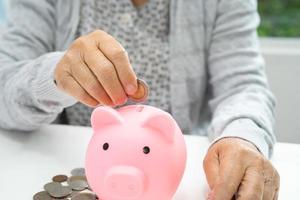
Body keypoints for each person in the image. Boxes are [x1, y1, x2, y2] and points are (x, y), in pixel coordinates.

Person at [0, 0, 280, 199]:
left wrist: (242, 137)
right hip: (53, 158)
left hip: (181, 172)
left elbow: (243, 87)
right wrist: (54, 76)